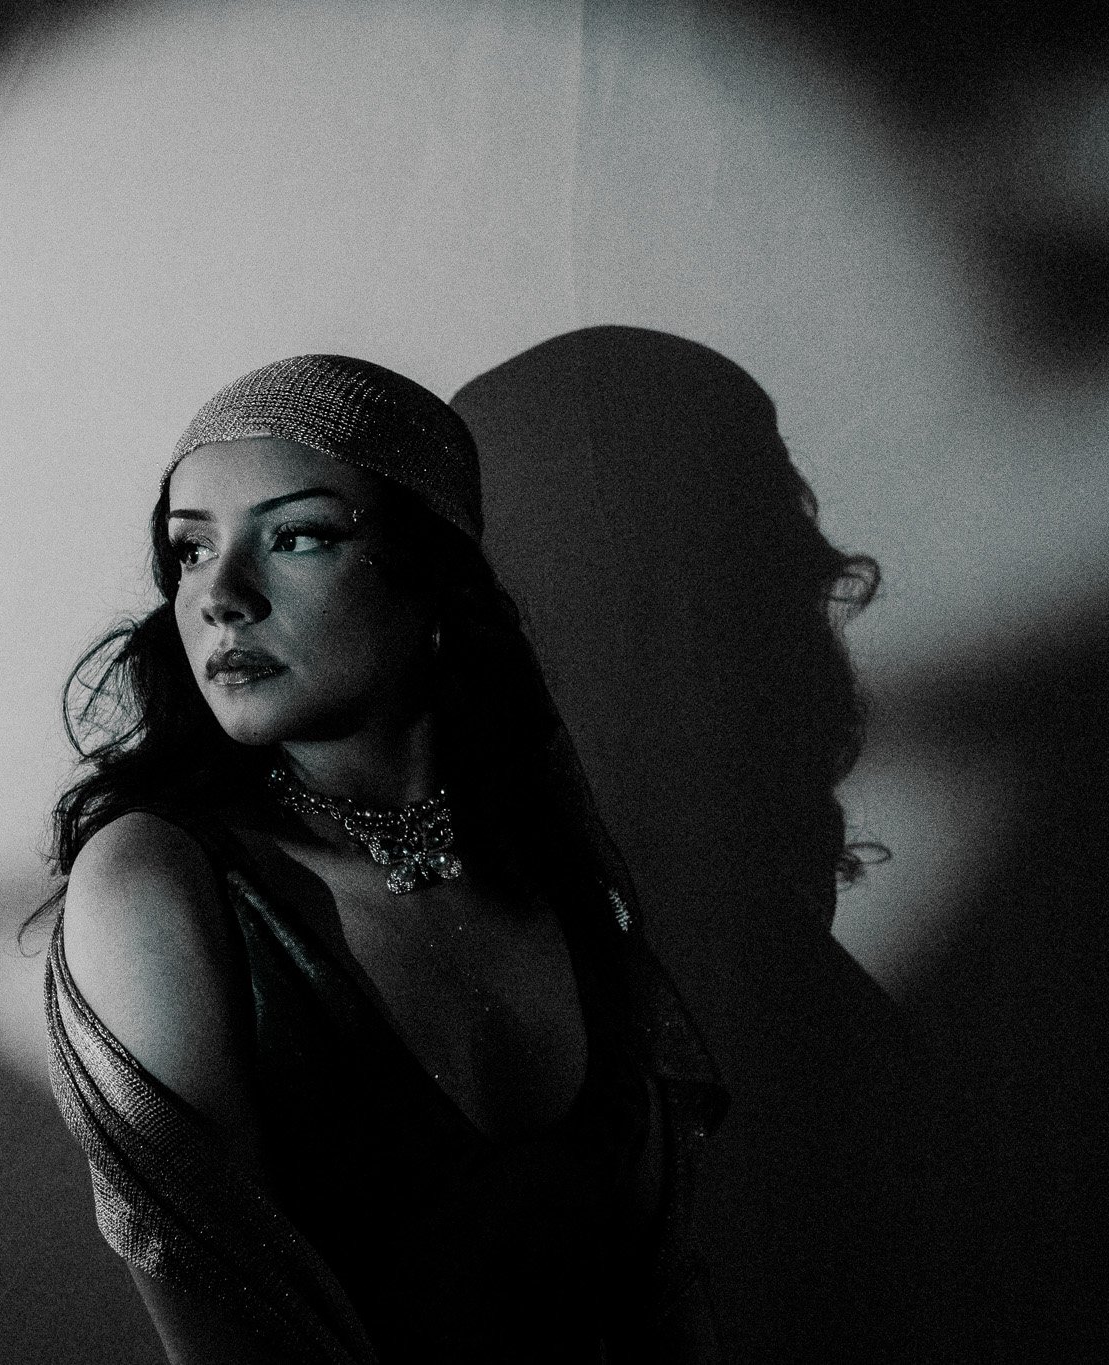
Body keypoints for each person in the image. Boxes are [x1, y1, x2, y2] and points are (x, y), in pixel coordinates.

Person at [37, 355, 727, 1364]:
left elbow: (665, 1300)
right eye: (190, 549)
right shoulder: (158, 882)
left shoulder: (556, 878)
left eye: (297, 535)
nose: (220, 596)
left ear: (430, 576)